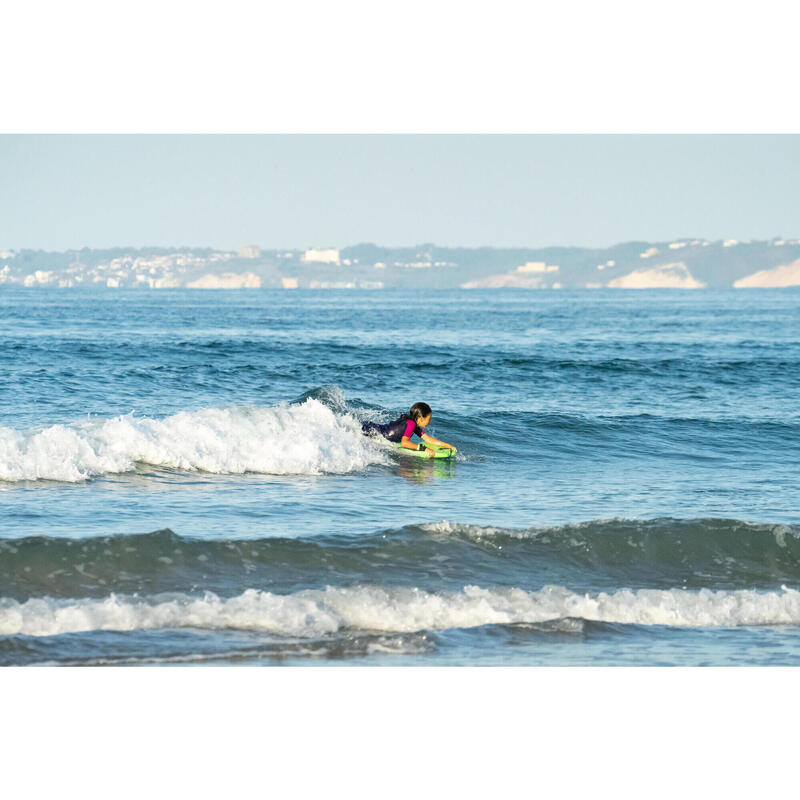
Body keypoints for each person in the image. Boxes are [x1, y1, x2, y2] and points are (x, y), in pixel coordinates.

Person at [361, 402, 457, 458]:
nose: (429, 421)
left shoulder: (412, 424)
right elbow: (405, 443)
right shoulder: (411, 424)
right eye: (429, 418)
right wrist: (425, 449)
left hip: (371, 430)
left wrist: (447, 445)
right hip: (369, 431)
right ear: (420, 418)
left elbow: (428, 439)